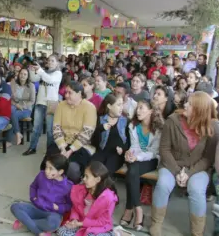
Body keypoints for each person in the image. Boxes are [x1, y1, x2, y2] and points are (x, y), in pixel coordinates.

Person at [150, 92, 219, 236]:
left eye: (190, 104)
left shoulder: (213, 127)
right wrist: (177, 172)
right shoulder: (172, 120)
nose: (185, 105)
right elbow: (164, 149)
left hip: (198, 168)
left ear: (199, 110)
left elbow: (207, 159)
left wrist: (188, 174)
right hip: (172, 164)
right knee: (163, 184)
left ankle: (197, 232)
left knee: (196, 189)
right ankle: (156, 223)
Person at [41, 81, 97, 184]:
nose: (66, 95)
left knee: (72, 169)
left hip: (81, 146)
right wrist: (62, 147)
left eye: (70, 93)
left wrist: (70, 150)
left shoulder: (89, 108)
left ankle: (69, 191)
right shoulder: (61, 105)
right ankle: (49, 189)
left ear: (79, 93)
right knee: (48, 163)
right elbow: (56, 128)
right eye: (65, 92)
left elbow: (86, 134)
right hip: (62, 143)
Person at [120, 100, 164, 231]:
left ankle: (129, 209)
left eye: (141, 108)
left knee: (131, 171)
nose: (137, 111)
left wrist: (137, 157)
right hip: (136, 158)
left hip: (151, 159)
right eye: (137, 108)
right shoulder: (133, 125)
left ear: (150, 111)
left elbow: (154, 152)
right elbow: (134, 146)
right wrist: (130, 154)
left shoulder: (158, 128)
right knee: (132, 171)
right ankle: (138, 209)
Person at [10, 155, 73, 235]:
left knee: (53, 223)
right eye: (46, 167)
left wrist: (57, 207)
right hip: (36, 208)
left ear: (60, 171)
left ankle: (25, 221)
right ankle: (39, 232)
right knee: (15, 207)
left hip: (52, 213)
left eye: (51, 169)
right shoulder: (41, 175)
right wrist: (34, 198)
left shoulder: (68, 186)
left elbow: (69, 205)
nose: (47, 171)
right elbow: (33, 187)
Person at [56, 161, 119, 236]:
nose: (84, 179)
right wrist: (74, 220)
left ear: (97, 179)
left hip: (99, 227)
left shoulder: (108, 198)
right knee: (61, 231)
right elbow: (75, 208)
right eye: (84, 176)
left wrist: (81, 223)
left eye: (87, 176)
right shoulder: (81, 190)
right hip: (81, 224)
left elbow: (102, 222)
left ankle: (116, 233)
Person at [23, 55, 62, 156]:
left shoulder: (58, 73)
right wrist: (32, 69)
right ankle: (32, 148)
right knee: (36, 127)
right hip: (40, 102)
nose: (50, 62)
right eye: (49, 60)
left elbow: (50, 80)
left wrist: (40, 70)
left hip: (52, 103)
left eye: (53, 61)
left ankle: (49, 151)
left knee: (49, 130)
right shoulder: (43, 71)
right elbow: (33, 78)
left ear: (57, 63)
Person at [91, 94, 130, 175]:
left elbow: (129, 141)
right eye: (119, 105)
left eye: (122, 104)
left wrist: (123, 150)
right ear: (109, 106)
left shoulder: (125, 121)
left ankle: (106, 187)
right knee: (92, 169)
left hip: (117, 154)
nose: (121, 107)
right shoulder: (100, 119)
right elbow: (94, 143)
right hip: (102, 152)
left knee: (106, 173)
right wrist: (100, 129)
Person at [9, 68, 36, 145]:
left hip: (26, 108)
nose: (22, 76)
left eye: (25, 74)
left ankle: (10, 139)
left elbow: (32, 101)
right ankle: (18, 134)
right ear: (18, 74)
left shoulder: (31, 86)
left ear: (28, 76)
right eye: (21, 73)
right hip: (15, 105)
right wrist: (16, 105)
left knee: (12, 114)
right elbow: (9, 97)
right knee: (11, 110)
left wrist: (22, 106)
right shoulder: (13, 83)